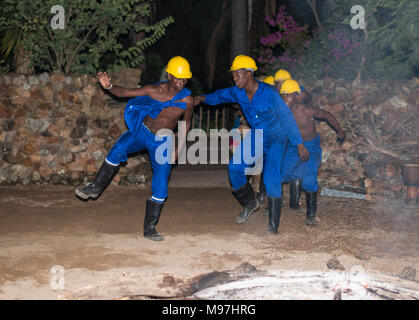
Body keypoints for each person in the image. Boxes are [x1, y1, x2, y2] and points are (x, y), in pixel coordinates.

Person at [75, 56, 194, 241]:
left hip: (162, 141)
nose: (181, 82)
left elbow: (186, 124)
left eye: (185, 78)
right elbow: (124, 93)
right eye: (178, 77)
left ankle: (150, 228)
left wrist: (178, 150)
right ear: (169, 76)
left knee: (161, 186)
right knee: (119, 147)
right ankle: (95, 187)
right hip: (142, 132)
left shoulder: (187, 100)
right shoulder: (154, 90)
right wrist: (109, 87)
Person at [193, 55, 310, 235]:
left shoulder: (270, 93)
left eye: (238, 74)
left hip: (277, 137)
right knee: (234, 167)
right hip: (258, 135)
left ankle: (273, 225)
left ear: (249, 73)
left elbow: (286, 118)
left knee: (271, 176)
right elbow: (219, 96)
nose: (235, 78)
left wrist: (299, 144)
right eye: (233, 75)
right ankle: (250, 203)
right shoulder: (237, 92)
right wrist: (201, 98)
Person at [279, 79, 346, 226]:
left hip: (311, 145)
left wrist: (339, 130)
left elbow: (326, 115)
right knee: (280, 175)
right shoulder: (281, 111)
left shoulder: (306, 110)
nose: (285, 99)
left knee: (309, 180)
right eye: (282, 96)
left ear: (297, 96)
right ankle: (274, 209)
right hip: (293, 146)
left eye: (288, 95)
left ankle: (311, 215)